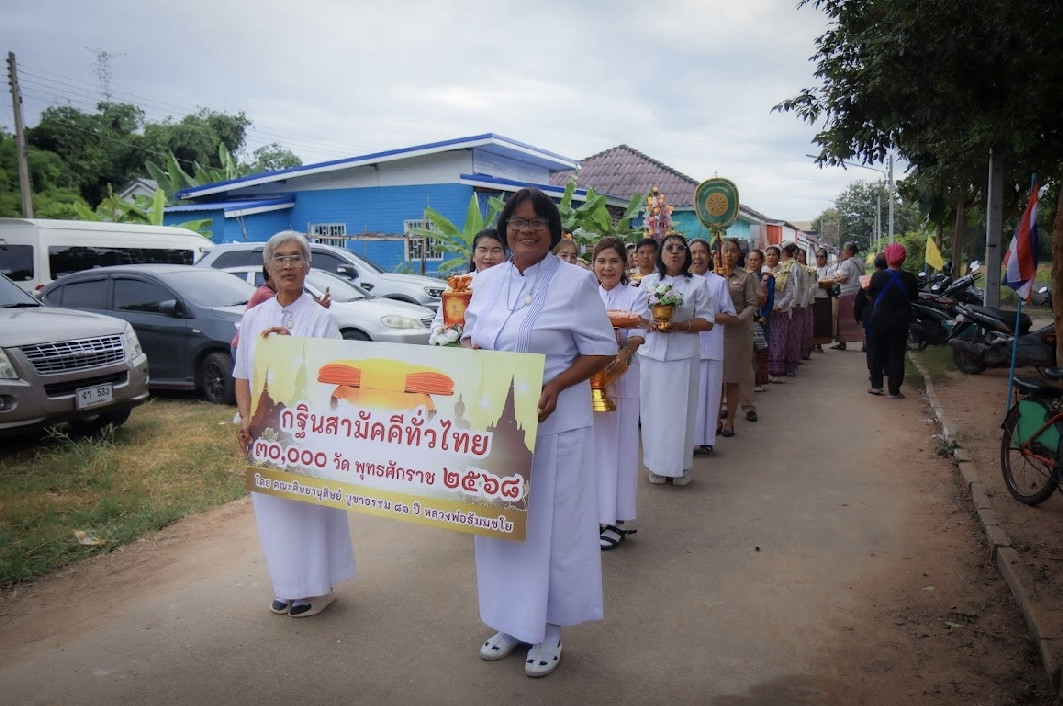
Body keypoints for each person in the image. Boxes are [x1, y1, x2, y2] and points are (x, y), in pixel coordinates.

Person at [461, 188, 616, 678]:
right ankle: (509, 621)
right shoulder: (486, 281)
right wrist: (470, 358)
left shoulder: (576, 282)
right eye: (517, 222)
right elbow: (470, 335)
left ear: (552, 230)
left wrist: (556, 385)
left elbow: (602, 348)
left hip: (554, 425)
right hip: (497, 423)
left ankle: (548, 629)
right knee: (501, 523)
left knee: (551, 529)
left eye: (536, 222)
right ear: (505, 228)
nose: (525, 230)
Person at [234, 230, 356, 618]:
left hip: (307, 431)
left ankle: (317, 588)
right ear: (268, 268)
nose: (288, 265)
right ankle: (286, 585)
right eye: (280, 259)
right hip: (265, 431)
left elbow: (329, 377)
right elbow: (242, 374)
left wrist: (288, 350)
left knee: (307, 509)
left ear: (308, 266)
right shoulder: (253, 317)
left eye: (295, 258)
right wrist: (246, 418)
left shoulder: (322, 318)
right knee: (274, 510)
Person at [638, 234, 715, 486]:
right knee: (653, 411)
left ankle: (679, 466)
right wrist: (649, 324)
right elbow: (637, 316)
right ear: (661, 254)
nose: (674, 252)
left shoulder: (698, 284)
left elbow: (708, 321)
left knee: (681, 412)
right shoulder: (647, 282)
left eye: (680, 248)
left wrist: (680, 326)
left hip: (683, 356)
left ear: (686, 255)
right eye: (669, 248)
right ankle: (656, 465)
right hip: (651, 355)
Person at [591, 237, 649, 550]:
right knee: (595, 453)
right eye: (601, 261)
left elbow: (638, 334)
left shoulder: (635, 295)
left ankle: (616, 520)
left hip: (621, 380)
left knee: (621, 451)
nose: (607, 267)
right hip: (589, 383)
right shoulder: (587, 295)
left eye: (614, 261)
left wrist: (623, 353)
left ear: (624, 264)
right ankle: (596, 517)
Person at [689, 238, 735, 454]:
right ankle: (687, 440)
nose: (697, 257)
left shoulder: (718, 283)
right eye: (693, 252)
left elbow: (730, 315)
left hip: (711, 347)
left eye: (701, 252)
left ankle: (706, 440)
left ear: (709, 256)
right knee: (690, 398)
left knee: (709, 396)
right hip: (686, 347)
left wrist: (706, 317)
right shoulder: (682, 282)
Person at [717, 238, 759, 434]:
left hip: (737, 331)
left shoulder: (746, 277)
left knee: (734, 376)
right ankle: (715, 419)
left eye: (733, 251)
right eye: (725, 250)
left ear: (739, 254)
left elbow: (752, 304)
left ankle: (731, 421)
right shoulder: (712, 276)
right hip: (715, 330)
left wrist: (737, 319)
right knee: (716, 379)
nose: (728, 255)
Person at [866, 244, 919, 398]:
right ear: (903, 259)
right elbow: (913, 298)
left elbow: (870, 295)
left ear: (888, 258)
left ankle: (876, 386)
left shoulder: (878, 276)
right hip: (900, 321)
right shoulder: (910, 278)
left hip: (879, 319)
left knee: (877, 351)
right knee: (897, 353)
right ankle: (894, 391)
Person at [429, 228, 507, 333]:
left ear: (505, 256)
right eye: (483, 250)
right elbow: (439, 322)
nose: (489, 256)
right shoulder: (457, 284)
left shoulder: (512, 285)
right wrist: (441, 332)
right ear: (473, 256)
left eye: (496, 250)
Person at [768, 243, 800, 379]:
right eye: (768, 255)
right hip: (763, 312)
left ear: (779, 256)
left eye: (774, 255)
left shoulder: (786, 272)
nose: (771, 257)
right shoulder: (761, 271)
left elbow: (790, 293)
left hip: (779, 311)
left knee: (778, 340)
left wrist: (779, 306)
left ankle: (776, 371)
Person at [855, 252, 888, 379]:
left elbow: (860, 300)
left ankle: (874, 371)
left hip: (871, 317)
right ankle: (886, 367)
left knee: (872, 345)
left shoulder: (868, 279)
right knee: (886, 343)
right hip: (889, 317)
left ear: (875, 265)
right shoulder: (894, 278)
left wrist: (857, 315)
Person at [829, 241, 866, 351]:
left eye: (844, 250)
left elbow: (844, 278)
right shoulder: (860, 262)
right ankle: (864, 342)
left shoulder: (846, 263)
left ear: (849, 251)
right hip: (858, 293)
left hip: (846, 294)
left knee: (843, 320)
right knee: (858, 318)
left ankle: (842, 343)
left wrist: (834, 280)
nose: (843, 252)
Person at [747, 249, 772, 390]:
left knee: (760, 349)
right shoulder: (743, 277)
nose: (752, 262)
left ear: (761, 261)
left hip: (760, 318)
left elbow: (770, 300)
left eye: (755, 260)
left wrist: (764, 315)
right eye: (750, 260)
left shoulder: (767, 278)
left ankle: (758, 381)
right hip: (746, 319)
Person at [813, 249, 834, 352]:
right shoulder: (812, 269)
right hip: (813, 298)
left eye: (821, 257)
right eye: (817, 256)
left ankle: (819, 344)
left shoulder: (828, 270)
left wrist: (817, 284)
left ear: (826, 259)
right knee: (813, 321)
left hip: (824, 299)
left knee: (822, 322)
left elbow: (829, 285)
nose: (819, 259)